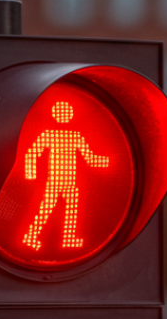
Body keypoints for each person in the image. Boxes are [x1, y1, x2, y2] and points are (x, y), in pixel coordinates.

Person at [21, 101, 110, 249]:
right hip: (54, 182)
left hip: (70, 183)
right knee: (46, 209)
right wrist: (31, 173)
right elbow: (32, 154)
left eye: (67, 112)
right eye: (62, 112)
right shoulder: (48, 135)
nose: (65, 115)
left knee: (70, 210)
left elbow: (89, 158)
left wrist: (106, 161)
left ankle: (69, 238)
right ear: (56, 115)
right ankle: (31, 236)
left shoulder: (75, 136)